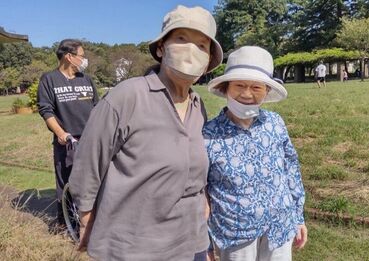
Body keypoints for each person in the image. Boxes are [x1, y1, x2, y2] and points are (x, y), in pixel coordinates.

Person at [68, 5, 223, 260]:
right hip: (133, 246)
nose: (191, 50)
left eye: (202, 45)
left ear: (209, 60)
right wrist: (86, 218)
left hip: (189, 242)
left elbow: (195, 173)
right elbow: (87, 164)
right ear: (161, 47)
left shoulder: (198, 107)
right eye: (181, 39)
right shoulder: (127, 96)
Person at [203, 46, 307, 261]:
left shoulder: (275, 123)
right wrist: (205, 242)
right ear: (225, 88)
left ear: (267, 91)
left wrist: (298, 217)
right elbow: (200, 190)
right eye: (240, 85)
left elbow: (291, 168)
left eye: (256, 87)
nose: (247, 94)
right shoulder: (208, 134)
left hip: (280, 226)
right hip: (235, 233)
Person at [37, 39, 99, 228]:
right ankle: (66, 224)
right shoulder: (49, 79)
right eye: (81, 56)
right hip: (68, 141)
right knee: (67, 183)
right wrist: (61, 133)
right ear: (69, 57)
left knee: (95, 181)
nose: (84, 60)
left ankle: (94, 221)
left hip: (92, 140)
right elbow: (46, 110)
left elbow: (98, 107)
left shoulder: (86, 79)